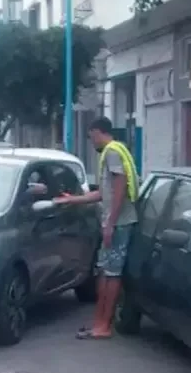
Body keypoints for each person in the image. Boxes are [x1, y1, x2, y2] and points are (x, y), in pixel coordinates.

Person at [53, 117, 138, 340]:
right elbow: (103, 193)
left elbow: (120, 186)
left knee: (111, 273)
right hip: (115, 222)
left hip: (119, 224)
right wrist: (73, 199)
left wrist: (110, 222)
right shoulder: (115, 150)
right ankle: (99, 323)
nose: (91, 142)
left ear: (98, 132)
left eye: (91, 136)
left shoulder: (111, 152)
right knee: (105, 271)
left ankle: (104, 326)